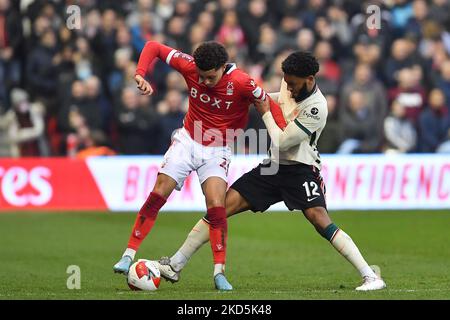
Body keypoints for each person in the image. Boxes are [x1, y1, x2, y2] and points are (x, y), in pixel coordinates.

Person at [155, 52, 387, 292]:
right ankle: (175, 264)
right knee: (220, 209)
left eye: (293, 84)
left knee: (319, 218)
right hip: (273, 167)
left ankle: (370, 276)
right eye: (286, 82)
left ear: (309, 79)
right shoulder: (290, 84)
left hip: (301, 169)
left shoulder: (317, 108)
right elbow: (273, 99)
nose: (289, 88)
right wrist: (249, 97)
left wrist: (264, 109)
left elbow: (282, 141)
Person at [112, 40, 286, 291]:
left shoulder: (242, 82)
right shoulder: (190, 66)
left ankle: (219, 273)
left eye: (210, 77)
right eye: (201, 77)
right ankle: (128, 254)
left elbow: (266, 103)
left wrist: (283, 133)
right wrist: (140, 74)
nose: (204, 82)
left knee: (217, 206)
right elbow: (153, 47)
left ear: (223, 67)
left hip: (218, 150)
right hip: (188, 140)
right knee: (159, 191)